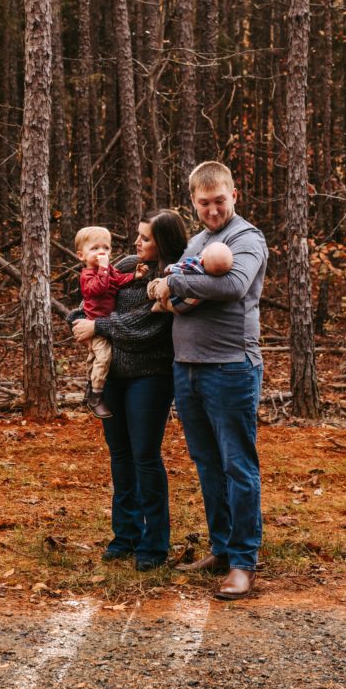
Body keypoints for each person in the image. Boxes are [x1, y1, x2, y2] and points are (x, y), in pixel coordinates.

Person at [154, 161, 268, 600]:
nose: (213, 210)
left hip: (231, 366)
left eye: (220, 201)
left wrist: (177, 283)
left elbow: (234, 286)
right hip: (187, 366)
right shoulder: (197, 242)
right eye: (204, 203)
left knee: (237, 463)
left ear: (233, 195)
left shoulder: (246, 238)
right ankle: (221, 548)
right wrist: (177, 290)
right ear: (194, 203)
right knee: (207, 463)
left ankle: (244, 562)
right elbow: (178, 298)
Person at [71, 210, 188, 572]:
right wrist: (79, 320)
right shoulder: (124, 264)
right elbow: (91, 298)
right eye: (138, 236)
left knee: (145, 456)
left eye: (146, 239)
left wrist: (99, 327)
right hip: (113, 378)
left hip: (149, 377)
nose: (137, 243)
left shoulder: (175, 277)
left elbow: (147, 327)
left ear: (164, 243)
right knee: (119, 455)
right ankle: (125, 536)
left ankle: (154, 545)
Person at [74, 225, 147, 419]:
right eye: (95, 248)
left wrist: (135, 276)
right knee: (104, 357)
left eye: (106, 248)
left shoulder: (108, 270)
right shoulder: (87, 275)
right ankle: (96, 396)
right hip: (96, 325)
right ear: (81, 256)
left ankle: (90, 388)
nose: (101, 253)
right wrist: (104, 268)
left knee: (95, 359)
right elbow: (98, 289)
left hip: (105, 325)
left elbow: (118, 281)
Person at [147, 241, 233, 314]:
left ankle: (151, 291)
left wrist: (170, 268)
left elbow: (181, 269)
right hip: (185, 307)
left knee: (158, 282)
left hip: (176, 300)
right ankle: (160, 306)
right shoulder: (209, 280)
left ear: (202, 260)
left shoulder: (196, 266)